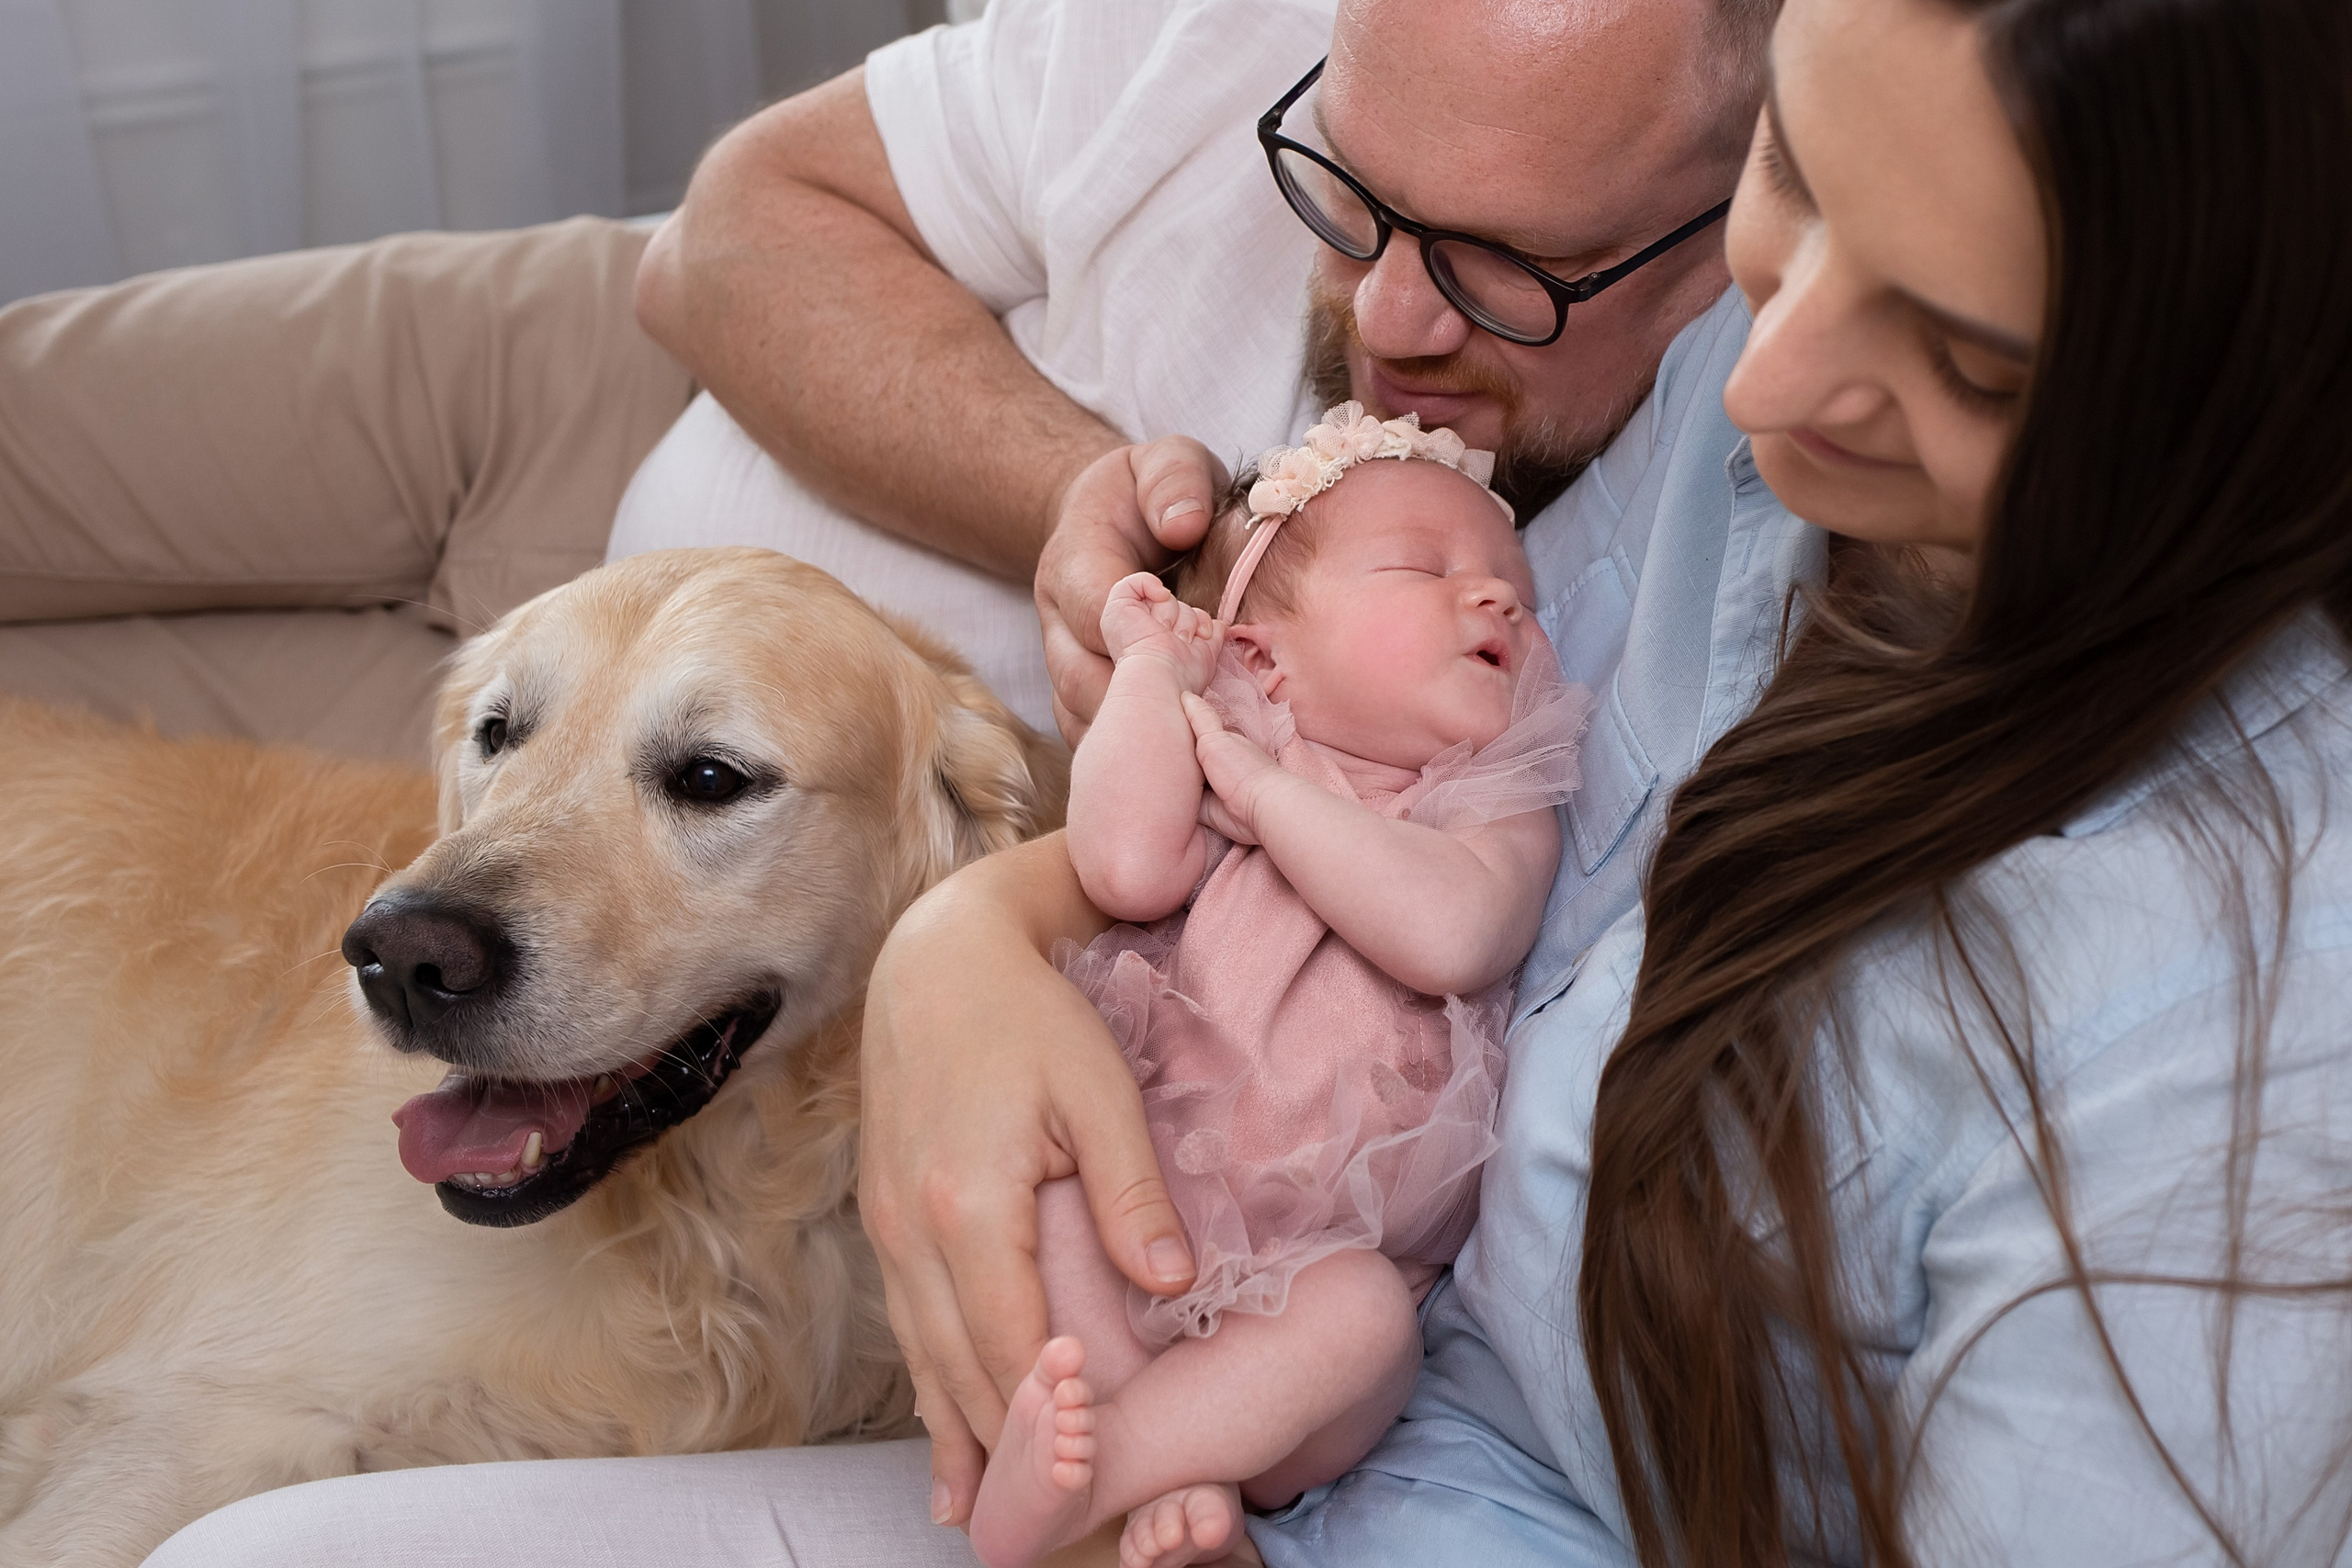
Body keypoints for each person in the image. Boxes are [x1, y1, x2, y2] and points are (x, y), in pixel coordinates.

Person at [862, 0, 2352, 1563]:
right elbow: (1378, 761)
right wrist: (966, 943)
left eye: (1966, 359)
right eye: (1806, 169)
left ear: (2248, 397)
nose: (1766, 385)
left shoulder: (2244, 1061)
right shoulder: (1745, 433)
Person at [969, 410, 1586, 1567]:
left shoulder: (1496, 795)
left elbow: (1455, 933)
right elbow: (1123, 864)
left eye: (1515, 587)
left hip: (1308, 1300)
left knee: (1364, 1328)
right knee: (1048, 1179)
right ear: (1262, 655)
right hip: (1142, 1216)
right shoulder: (1236, 735)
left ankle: (1105, 1469)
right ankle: (1156, 1481)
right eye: (1427, 567)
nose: (1500, 599)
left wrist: (1263, 802)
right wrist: (1154, 675)